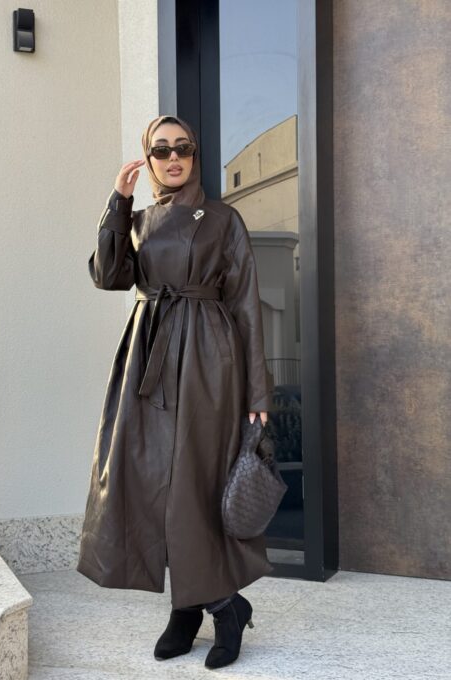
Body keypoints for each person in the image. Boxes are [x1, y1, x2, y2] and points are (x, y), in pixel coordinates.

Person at [77, 114, 274, 669]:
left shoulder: (223, 220)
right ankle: (187, 606)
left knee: (196, 485)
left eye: (182, 147)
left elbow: (246, 304)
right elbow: (108, 275)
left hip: (209, 361)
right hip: (148, 359)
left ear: (194, 155)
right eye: (160, 149)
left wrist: (257, 392)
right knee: (147, 484)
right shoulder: (138, 221)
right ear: (148, 159)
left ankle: (221, 606)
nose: (172, 158)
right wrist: (118, 203)